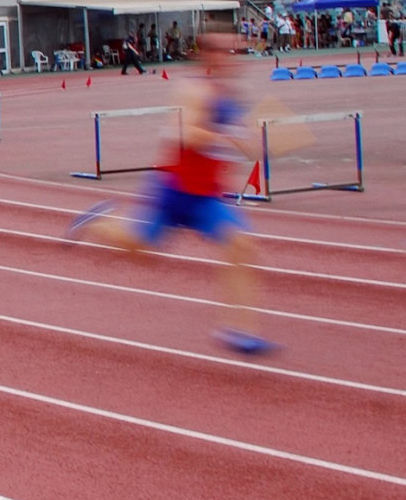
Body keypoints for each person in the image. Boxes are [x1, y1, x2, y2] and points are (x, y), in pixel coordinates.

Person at [66, 30, 276, 356]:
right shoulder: (192, 91)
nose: (232, 59)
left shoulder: (232, 97)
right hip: (174, 190)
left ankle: (240, 330)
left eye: (235, 53)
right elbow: (189, 134)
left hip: (206, 196)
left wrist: (256, 143)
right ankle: (97, 222)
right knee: (139, 249)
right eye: (224, 52)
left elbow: (248, 145)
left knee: (242, 245)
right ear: (207, 56)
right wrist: (229, 135)